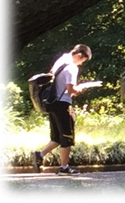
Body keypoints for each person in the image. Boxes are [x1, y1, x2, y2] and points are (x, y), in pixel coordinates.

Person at [36, 44, 93, 175]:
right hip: (63, 104)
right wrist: (81, 89)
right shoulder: (72, 67)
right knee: (67, 136)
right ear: (79, 55)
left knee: (57, 136)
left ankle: (39, 155)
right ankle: (64, 167)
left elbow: (51, 74)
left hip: (52, 102)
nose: (81, 63)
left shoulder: (62, 59)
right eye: (83, 60)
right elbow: (70, 89)